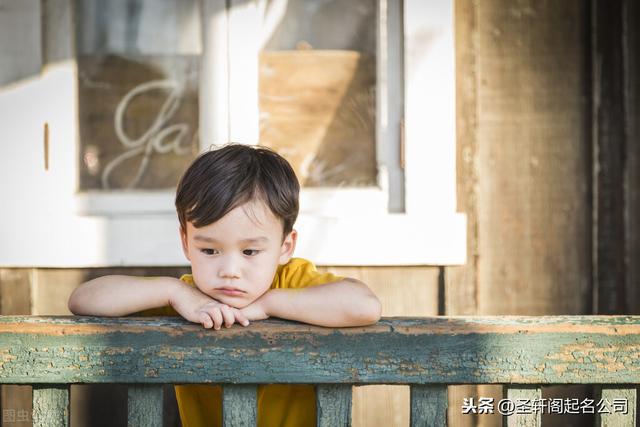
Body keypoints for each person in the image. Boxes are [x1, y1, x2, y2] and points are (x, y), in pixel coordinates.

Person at [68, 143, 382, 427]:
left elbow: (365, 306)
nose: (230, 271)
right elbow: (84, 300)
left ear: (285, 246)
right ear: (186, 242)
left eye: (249, 252)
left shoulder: (294, 282)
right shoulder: (191, 296)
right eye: (209, 250)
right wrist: (172, 290)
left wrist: (267, 304)